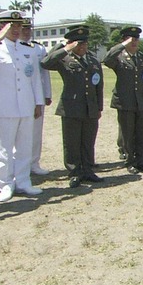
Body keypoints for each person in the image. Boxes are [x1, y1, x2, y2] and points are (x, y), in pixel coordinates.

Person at [0, 10, 45, 202]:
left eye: (18, 26)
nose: (16, 30)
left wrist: (38, 102)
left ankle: (23, 181)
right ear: (2, 27)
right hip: (4, 107)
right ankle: (5, 184)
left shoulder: (27, 50)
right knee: (4, 148)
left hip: (26, 105)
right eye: (11, 26)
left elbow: (34, 80)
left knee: (24, 147)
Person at [41, 25, 104, 188]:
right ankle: (75, 172)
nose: (82, 47)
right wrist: (64, 47)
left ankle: (88, 170)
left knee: (88, 141)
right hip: (71, 106)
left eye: (84, 44)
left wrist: (99, 107)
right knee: (72, 142)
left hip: (90, 107)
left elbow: (99, 85)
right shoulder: (64, 59)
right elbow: (45, 62)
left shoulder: (93, 60)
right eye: (79, 44)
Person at [103, 26, 143, 175]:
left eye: (136, 39)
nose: (134, 42)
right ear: (123, 40)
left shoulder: (142, 58)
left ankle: (140, 161)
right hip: (125, 101)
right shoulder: (119, 57)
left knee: (141, 133)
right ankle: (130, 161)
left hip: (141, 101)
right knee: (128, 133)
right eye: (131, 39)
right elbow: (107, 59)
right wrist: (122, 46)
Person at [21, 17, 52, 176]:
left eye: (28, 29)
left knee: (36, 132)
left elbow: (44, 73)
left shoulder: (39, 49)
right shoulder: (12, 49)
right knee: (19, 134)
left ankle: (34, 163)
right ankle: (19, 166)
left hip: (37, 95)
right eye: (23, 29)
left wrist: (47, 94)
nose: (26, 32)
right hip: (20, 96)